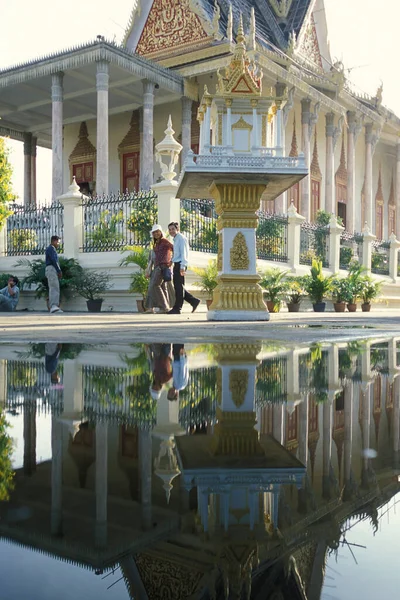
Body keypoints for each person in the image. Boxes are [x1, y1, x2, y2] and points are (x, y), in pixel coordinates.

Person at [167, 222, 200, 314]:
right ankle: (193, 301)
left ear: (177, 229)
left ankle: (177, 308)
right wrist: (172, 261)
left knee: (178, 287)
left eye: (173, 229)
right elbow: (177, 253)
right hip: (177, 264)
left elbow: (184, 254)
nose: (171, 231)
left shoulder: (181, 238)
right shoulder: (176, 239)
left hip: (181, 265)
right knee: (178, 286)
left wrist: (182, 266)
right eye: (169, 229)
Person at [145, 224, 174, 313]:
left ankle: (164, 306)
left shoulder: (165, 241)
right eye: (154, 232)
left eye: (157, 231)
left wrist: (171, 261)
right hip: (157, 266)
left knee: (155, 285)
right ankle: (163, 308)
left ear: (161, 232)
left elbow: (174, 248)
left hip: (162, 267)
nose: (156, 234)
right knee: (162, 286)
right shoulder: (156, 244)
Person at [45, 235, 63, 313]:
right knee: (54, 287)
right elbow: (54, 260)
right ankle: (54, 306)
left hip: (51, 269)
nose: (58, 244)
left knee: (54, 287)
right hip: (52, 268)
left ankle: (54, 305)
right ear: (54, 241)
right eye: (58, 242)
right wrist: (59, 270)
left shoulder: (51, 249)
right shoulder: (51, 249)